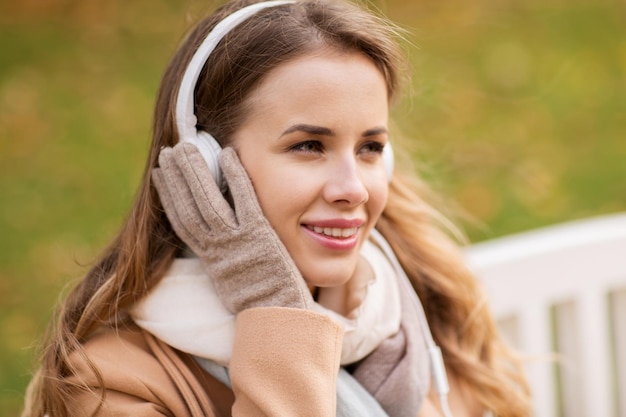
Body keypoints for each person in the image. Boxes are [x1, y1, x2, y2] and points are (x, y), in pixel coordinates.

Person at [22, 0, 532, 416]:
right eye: (308, 145)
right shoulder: (115, 384)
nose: (353, 189)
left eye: (370, 148)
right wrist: (273, 305)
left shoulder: (416, 303)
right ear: (207, 171)